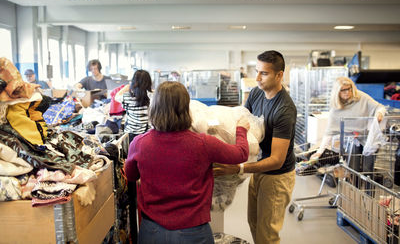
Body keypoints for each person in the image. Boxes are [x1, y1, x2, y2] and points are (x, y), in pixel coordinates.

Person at [124, 81, 250, 244]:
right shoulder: (203, 143)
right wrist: (241, 130)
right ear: (185, 108)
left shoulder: (139, 143)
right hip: (193, 232)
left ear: (154, 107)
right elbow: (241, 153)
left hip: (152, 231)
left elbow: (131, 175)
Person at [214, 50, 297, 244]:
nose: (257, 78)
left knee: (267, 234)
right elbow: (242, 120)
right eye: (257, 71)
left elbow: (276, 161)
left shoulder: (284, 110)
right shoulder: (257, 93)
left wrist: (239, 168)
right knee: (254, 223)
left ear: (279, 75)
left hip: (277, 177)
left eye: (264, 73)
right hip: (259, 169)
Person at [308, 76, 386, 171]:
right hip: (350, 142)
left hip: (368, 138)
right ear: (337, 92)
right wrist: (319, 152)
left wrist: (380, 113)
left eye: (349, 88)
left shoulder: (361, 97)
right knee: (353, 169)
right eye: (343, 90)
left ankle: (367, 184)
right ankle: (354, 183)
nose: (347, 92)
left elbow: (380, 107)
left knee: (368, 170)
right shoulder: (335, 110)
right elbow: (329, 133)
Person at [115, 69, 152, 243]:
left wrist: (127, 87)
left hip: (130, 137)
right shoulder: (150, 97)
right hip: (144, 136)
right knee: (144, 167)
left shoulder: (127, 97)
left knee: (130, 166)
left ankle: (132, 187)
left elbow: (115, 97)